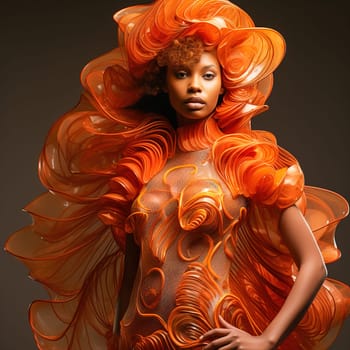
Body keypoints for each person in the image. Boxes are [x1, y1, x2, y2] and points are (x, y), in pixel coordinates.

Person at [5, 0, 349, 349]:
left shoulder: (241, 162)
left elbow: (313, 265)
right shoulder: (143, 165)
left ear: (224, 85)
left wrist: (267, 339)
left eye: (208, 75)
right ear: (163, 82)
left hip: (214, 337)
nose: (195, 86)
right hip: (139, 340)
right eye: (182, 74)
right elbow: (131, 275)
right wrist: (118, 335)